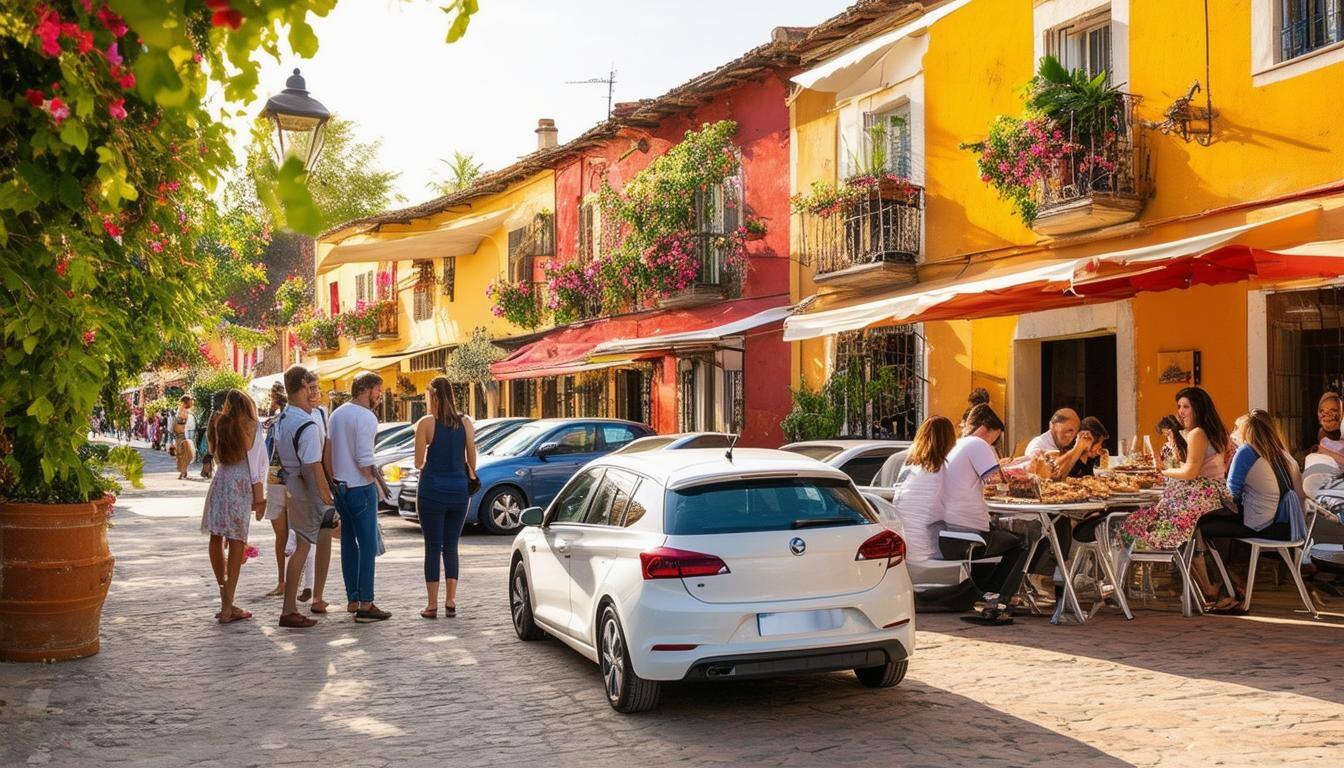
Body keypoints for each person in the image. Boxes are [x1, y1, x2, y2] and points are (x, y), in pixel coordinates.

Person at [1198, 410, 1307, 610]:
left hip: (1264, 526)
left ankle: (1225, 586)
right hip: (1287, 526)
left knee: (1201, 525)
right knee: (1224, 524)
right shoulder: (1282, 454)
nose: (1233, 433)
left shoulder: (1247, 452)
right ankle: (1232, 581)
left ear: (1246, 431)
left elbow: (1231, 495)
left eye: (1236, 428)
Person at [936, 404, 1028, 625]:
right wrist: (1023, 473)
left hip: (949, 529)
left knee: (1001, 537)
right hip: (967, 530)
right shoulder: (977, 444)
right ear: (986, 428)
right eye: (994, 439)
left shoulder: (957, 445)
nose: (994, 445)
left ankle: (989, 594)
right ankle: (1000, 599)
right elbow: (997, 484)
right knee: (1022, 542)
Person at [273, 365, 337, 629]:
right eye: (312, 388)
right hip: (306, 487)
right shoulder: (307, 424)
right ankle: (289, 609)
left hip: (292, 483)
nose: (316, 393)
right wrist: (327, 496)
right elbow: (313, 466)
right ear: (302, 386)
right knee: (302, 548)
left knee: (311, 542)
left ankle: (306, 601)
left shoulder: (285, 417)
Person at [200, 389, 268, 624]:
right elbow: (258, 466)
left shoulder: (218, 422)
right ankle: (228, 605)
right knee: (238, 540)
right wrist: (259, 500)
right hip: (241, 482)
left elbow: (212, 453)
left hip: (222, 480)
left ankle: (224, 598)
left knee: (216, 536)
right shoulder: (253, 426)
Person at [329, 371, 392, 623]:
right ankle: (366, 603)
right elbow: (364, 458)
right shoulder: (366, 417)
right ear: (366, 389)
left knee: (348, 543)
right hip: (360, 486)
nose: (380, 395)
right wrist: (377, 481)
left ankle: (352, 598)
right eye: (378, 389)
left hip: (340, 486)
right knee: (367, 546)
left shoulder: (337, 414)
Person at [415, 376, 478, 619]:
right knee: (451, 546)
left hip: (431, 492)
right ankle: (451, 600)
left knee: (432, 547)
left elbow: (419, 461)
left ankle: (431, 605)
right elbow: (472, 460)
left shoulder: (426, 424)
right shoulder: (466, 422)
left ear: (434, 397)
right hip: (459, 492)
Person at [890, 416, 957, 566]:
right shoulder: (943, 471)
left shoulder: (910, 469)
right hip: (929, 555)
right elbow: (960, 510)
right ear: (949, 440)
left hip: (905, 554)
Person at [305, 375, 336, 614]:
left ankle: (318, 595)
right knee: (302, 541)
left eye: (317, 387)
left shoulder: (322, 413)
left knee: (324, 538)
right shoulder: (293, 415)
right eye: (311, 388)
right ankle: (298, 590)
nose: (316, 392)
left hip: (321, 482)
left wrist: (329, 480)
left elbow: (326, 450)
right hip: (301, 485)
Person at [262, 384, 290, 597]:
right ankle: (297, 584)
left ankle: (283, 582)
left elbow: (266, 456)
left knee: (282, 535)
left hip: (276, 479)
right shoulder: (300, 418)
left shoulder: (275, 423)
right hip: (290, 479)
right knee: (297, 535)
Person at [1025, 408, 1092, 480]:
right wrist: (1077, 449)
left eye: (1076, 432)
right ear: (1052, 425)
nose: (1072, 436)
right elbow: (1053, 476)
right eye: (1069, 430)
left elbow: (1068, 474)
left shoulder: (1062, 444)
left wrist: (1083, 451)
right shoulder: (1038, 445)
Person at [168, 395, 196, 480]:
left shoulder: (182, 410)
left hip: (182, 435)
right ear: (186, 402)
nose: (192, 402)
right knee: (184, 454)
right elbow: (180, 423)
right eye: (191, 401)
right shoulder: (183, 411)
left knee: (184, 454)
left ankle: (183, 472)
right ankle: (183, 472)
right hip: (182, 435)